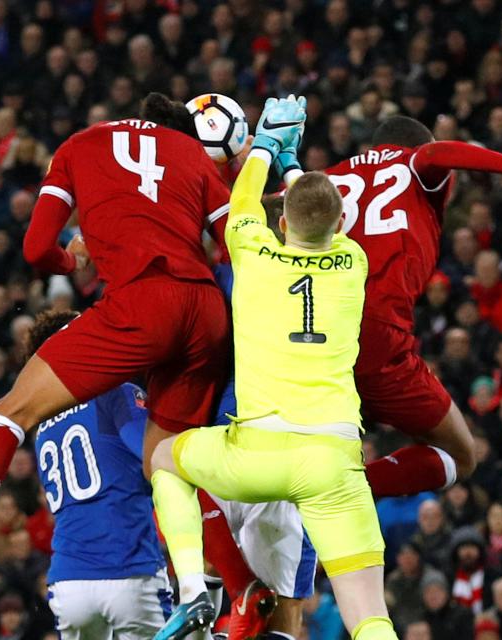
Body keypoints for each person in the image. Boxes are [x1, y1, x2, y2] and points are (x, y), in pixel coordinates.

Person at [0, 93, 234, 591]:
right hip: (206, 310)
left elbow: (36, 249)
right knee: (166, 461)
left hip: (141, 303)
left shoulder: (79, 146)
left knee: (10, 412)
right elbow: (236, 244)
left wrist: (70, 259)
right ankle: (238, 583)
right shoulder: (193, 154)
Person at [149, 96, 395, 640]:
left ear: (279, 221)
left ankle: (192, 590)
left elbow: (241, 206)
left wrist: (265, 143)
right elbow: (324, 211)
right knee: (368, 614)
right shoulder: (353, 263)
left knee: (164, 459)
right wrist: (293, 161)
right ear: (338, 227)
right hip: (332, 460)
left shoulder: (255, 256)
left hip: (256, 453)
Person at [276, 114, 502, 499]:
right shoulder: (414, 166)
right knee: (461, 454)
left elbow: (268, 208)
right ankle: (346, 491)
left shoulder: (323, 180)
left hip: (307, 336)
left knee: (316, 450)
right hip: (376, 338)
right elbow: (437, 154)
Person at [28, 310, 172, 640]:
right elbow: (154, 455)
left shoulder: (42, 428)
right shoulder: (113, 393)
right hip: (128, 568)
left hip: (68, 579)